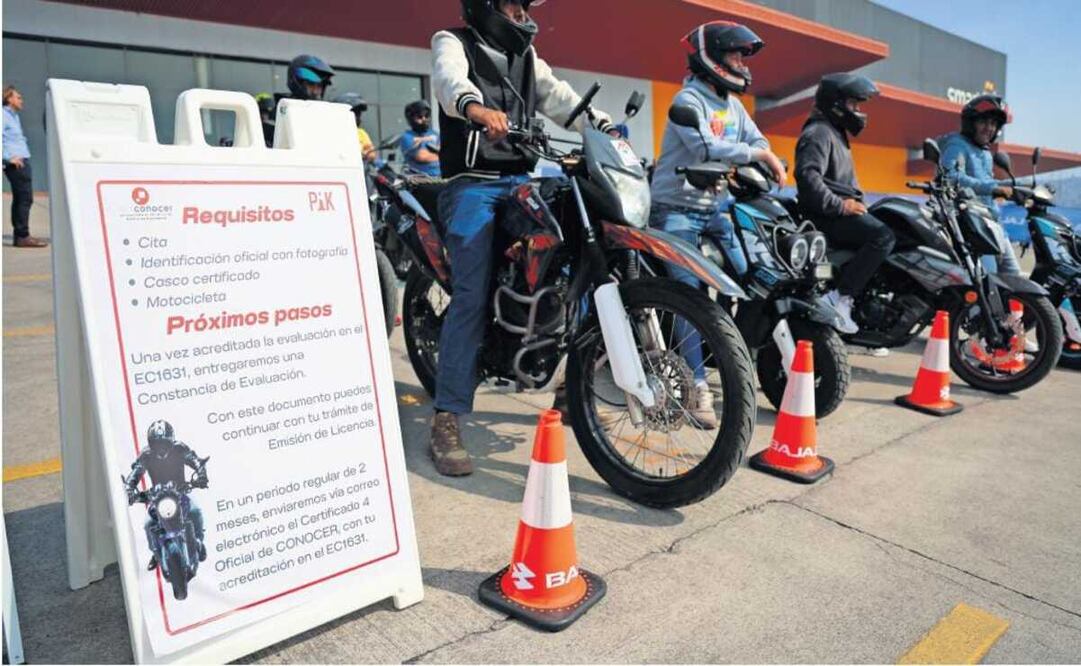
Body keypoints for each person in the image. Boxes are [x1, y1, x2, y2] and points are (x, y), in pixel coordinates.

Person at [428, 0, 615, 476]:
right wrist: (474, 107)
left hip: (520, 182)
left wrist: (602, 125)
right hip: (471, 184)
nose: (520, 15)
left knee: (580, 254)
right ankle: (447, 416)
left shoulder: (530, 60)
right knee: (471, 289)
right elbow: (452, 81)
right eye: (511, 6)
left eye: (522, 7)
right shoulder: (454, 41)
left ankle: (569, 386)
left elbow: (563, 100)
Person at [650, 21, 785, 428]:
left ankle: (733, 359)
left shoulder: (732, 105)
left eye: (744, 56)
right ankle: (695, 387)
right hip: (675, 210)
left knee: (757, 273)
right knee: (690, 300)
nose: (741, 63)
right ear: (712, 56)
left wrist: (761, 152)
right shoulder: (687, 100)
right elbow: (706, 146)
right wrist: (759, 156)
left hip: (717, 208)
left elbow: (759, 140)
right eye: (735, 54)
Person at [796, 73, 892, 336]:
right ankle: (840, 298)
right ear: (836, 104)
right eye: (854, 104)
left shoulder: (835, 132)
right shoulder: (819, 132)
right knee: (883, 236)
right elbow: (807, 177)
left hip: (837, 211)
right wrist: (842, 206)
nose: (858, 112)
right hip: (826, 215)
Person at [939, 94, 1022, 275]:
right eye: (984, 122)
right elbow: (951, 177)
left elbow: (987, 182)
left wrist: (1022, 188)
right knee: (986, 283)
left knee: (1016, 281)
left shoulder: (984, 152)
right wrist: (994, 188)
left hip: (993, 223)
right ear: (971, 123)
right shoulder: (957, 144)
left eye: (994, 124)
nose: (989, 128)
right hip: (973, 228)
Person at [124, 420, 209, 572]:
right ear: (151, 444)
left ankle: (199, 542)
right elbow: (135, 473)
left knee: (196, 511)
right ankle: (156, 554)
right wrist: (129, 489)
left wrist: (201, 474)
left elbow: (194, 460)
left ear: (171, 441)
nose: (161, 448)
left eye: (164, 443)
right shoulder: (146, 455)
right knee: (148, 524)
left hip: (180, 492)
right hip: (157, 497)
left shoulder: (179, 448)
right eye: (157, 444)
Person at [3, 86, 48, 248]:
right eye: (18, 97)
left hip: (22, 160)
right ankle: (22, 236)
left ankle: (20, 236)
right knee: (24, 199)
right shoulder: (3, 115)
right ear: (9, 99)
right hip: (16, 163)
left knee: (22, 199)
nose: (21, 100)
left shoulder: (14, 116)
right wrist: (8, 158)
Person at [260, 55, 336, 145]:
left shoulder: (325, 115)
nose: (316, 91)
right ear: (297, 82)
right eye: (311, 84)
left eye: (320, 86)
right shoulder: (281, 111)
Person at [400, 100, 442, 177]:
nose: (424, 119)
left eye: (426, 116)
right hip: (421, 180)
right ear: (411, 118)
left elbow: (447, 152)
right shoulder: (407, 137)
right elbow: (422, 157)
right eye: (419, 117)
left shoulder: (435, 134)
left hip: (441, 177)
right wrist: (441, 155)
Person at [334, 92, 377, 163]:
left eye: (358, 113)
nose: (357, 117)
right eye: (354, 113)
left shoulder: (361, 133)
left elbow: (371, 154)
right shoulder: (333, 132)